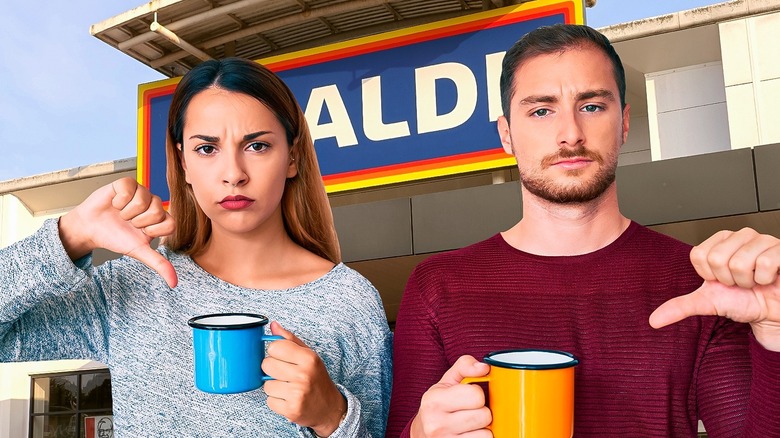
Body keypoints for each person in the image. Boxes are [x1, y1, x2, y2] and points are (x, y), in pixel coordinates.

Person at [386, 24, 780, 437]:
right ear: (506, 134)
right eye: (542, 110)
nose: (570, 134)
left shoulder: (699, 285)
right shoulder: (438, 286)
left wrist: (773, 334)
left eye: (592, 106)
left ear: (624, 122)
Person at [0, 57, 392, 437]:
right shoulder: (132, 288)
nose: (233, 174)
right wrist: (69, 235)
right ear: (183, 162)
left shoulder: (350, 301)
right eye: (207, 148)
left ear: (292, 156)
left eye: (257, 146)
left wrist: (333, 419)